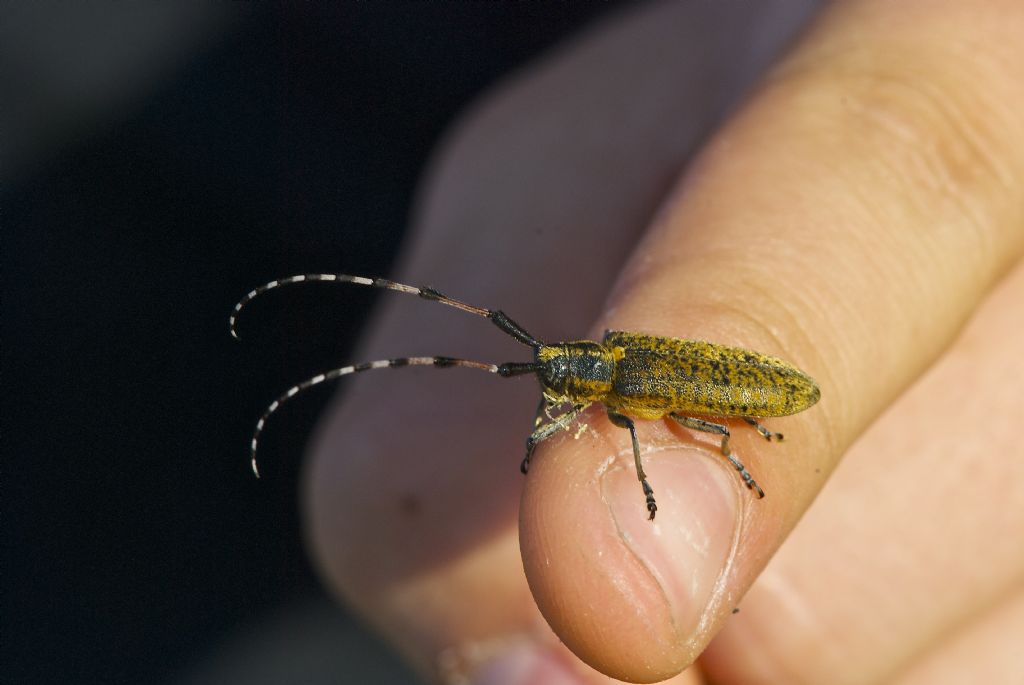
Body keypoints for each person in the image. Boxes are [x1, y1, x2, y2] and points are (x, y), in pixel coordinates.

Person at [304, 1, 1024, 683]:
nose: (552, 376)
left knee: (681, 435)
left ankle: (735, 466)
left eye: (558, 372)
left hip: (757, 385)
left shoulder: (621, 391)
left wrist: (644, 480)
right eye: (557, 373)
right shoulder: (611, 368)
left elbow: (629, 429)